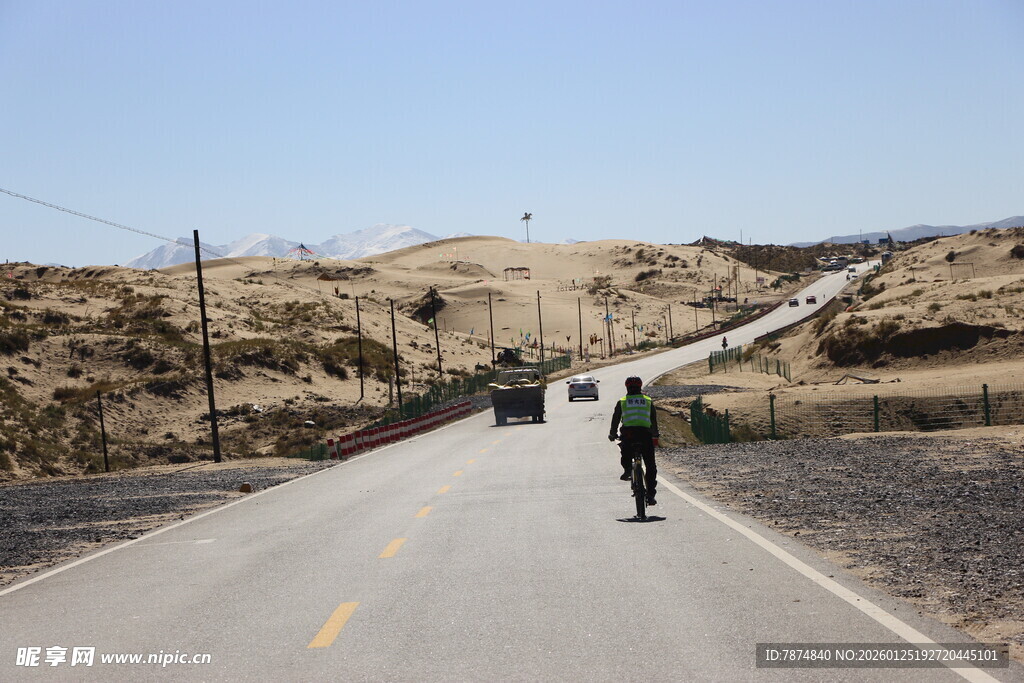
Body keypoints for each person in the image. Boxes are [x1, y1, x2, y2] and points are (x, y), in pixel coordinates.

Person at [608, 375, 660, 505]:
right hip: (645, 435)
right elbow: (653, 420)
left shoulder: (622, 401)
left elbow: (615, 419)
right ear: (640, 387)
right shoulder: (647, 401)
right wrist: (655, 434)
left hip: (629, 434)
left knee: (625, 453)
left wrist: (612, 434)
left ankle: (627, 470)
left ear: (627, 387)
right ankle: (651, 495)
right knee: (650, 465)